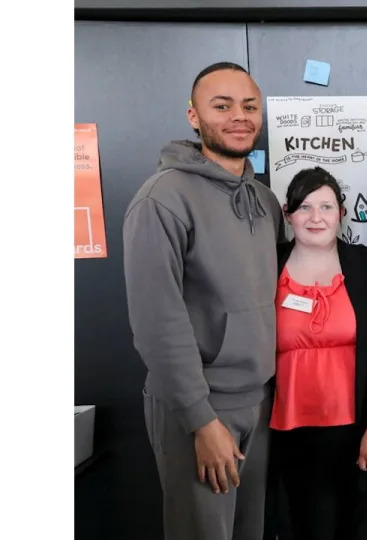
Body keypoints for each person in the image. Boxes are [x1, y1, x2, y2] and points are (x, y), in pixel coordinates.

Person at [123, 61, 283, 540]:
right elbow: (157, 323)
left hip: (258, 403)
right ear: (194, 116)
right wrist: (200, 421)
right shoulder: (162, 200)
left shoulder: (265, 200)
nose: (240, 116)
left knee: (248, 532)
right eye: (223, 105)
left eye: (250, 106)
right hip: (199, 409)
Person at [270, 166, 367, 540]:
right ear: (288, 214)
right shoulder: (267, 265)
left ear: (341, 214)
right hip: (287, 432)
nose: (316, 217)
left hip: (357, 428)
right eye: (305, 207)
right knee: (302, 525)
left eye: (327, 207)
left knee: (359, 525)